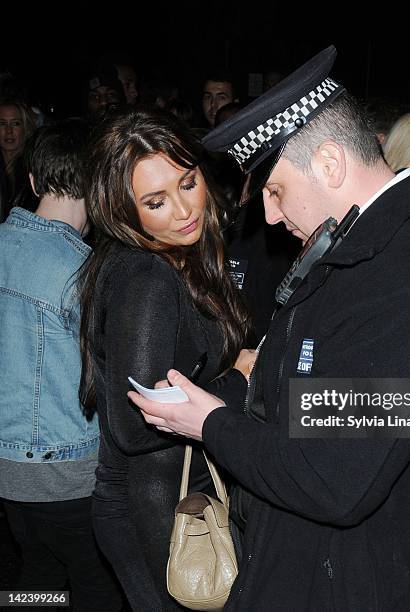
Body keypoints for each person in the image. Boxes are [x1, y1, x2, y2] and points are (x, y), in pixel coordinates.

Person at [131, 47, 410, 611]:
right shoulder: (365, 250)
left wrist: (211, 423)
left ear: (330, 164)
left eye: (276, 191)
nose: (272, 217)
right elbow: (314, 405)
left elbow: (334, 478)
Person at [77, 106, 248, 612]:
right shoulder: (145, 277)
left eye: (188, 182)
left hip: (174, 495)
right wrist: (239, 380)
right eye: (156, 201)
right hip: (156, 512)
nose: (183, 209)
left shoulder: (173, 257)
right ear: (123, 211)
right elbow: (134, 423)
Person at [0, 119, 122, 611]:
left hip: (7, 471)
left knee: (39, 575)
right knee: (98, 588)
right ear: (97, 185)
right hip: (66, 471)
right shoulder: (86, 271)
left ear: (32, 180)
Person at [0, 98, 37, 220]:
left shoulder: (34, 167)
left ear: (25, 128)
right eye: (2, 123)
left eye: (15, 123)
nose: (8, 131)